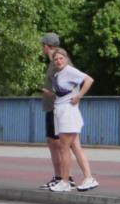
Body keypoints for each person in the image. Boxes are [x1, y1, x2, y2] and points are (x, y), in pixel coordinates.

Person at [48, 48, 98, 192]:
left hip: (68, 112)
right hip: (61, 111)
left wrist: (79, 96)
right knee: (75, 147)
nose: (58, 61)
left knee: (63, 147)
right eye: (55, 59)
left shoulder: (70, 71)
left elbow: (89, 80)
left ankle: (65, 181)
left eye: (60, 58)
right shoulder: (58, 74)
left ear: (66, 58)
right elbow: (62, 92)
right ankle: (89, 178)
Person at [38, 33, 71, 190]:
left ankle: (64, 177)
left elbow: (68, 82)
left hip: (57, 106)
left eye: (42, 46)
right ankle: (59, 176)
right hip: (52, 106)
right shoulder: (54, 60)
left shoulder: (59, 59)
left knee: (59, 143)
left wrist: (51, 93)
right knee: (53, 142)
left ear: (46, 46)